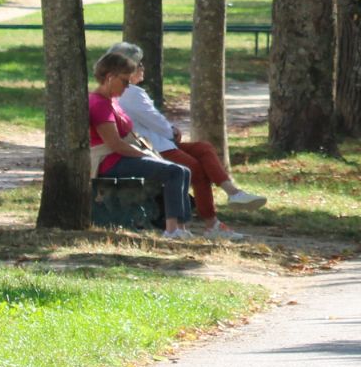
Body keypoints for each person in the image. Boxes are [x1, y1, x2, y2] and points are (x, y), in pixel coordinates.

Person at [102, 44, 265, 239]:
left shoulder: (123, 91)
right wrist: (173, 131)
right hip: (152, 146)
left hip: (159, 142)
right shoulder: (131, 94)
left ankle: (233, 194)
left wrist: (170, 132)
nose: (143, 68)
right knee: (195, 168)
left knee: (203, 148)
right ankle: (210, 223)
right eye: (139, 65)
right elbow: (156, 122)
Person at [88, 51, 196, 239]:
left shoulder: (112, 101)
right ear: (110, 77)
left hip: (122, 157)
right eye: (124, 81)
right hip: (110, 162)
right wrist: (146, 155)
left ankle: (181, 227)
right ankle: (171, 229)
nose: (127, 87)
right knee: (175, 171)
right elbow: (116, 145)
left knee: (183, 170)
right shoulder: (100, 104)